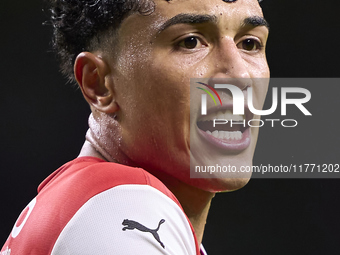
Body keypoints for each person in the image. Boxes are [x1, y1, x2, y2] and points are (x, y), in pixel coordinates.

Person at [1, 0, 269, 254]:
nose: (240, 75)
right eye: (190, 42)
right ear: (99, 83)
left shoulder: (88, 207)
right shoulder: (119, 212)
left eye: (249, 44)